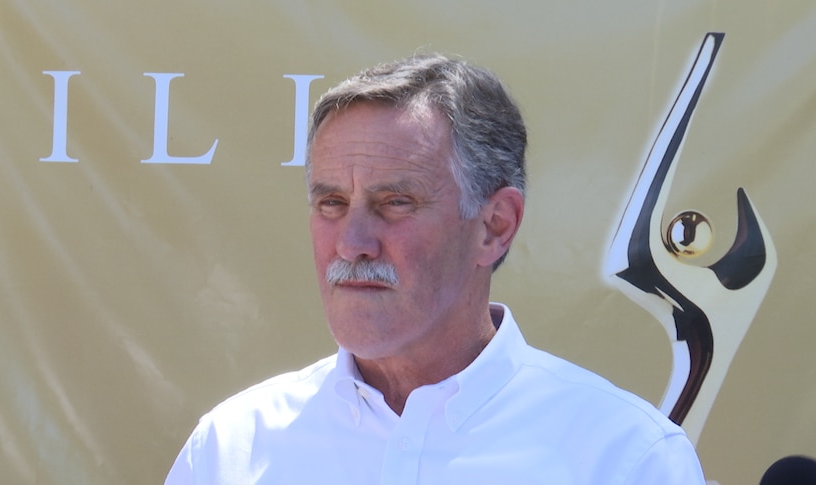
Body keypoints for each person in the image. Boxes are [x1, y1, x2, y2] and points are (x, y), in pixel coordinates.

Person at [165, 54, 706, 484]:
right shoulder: (231, 449)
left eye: (396, 202)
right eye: (331, 203)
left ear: (495, 225)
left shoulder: (626, 460)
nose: (352, 243)